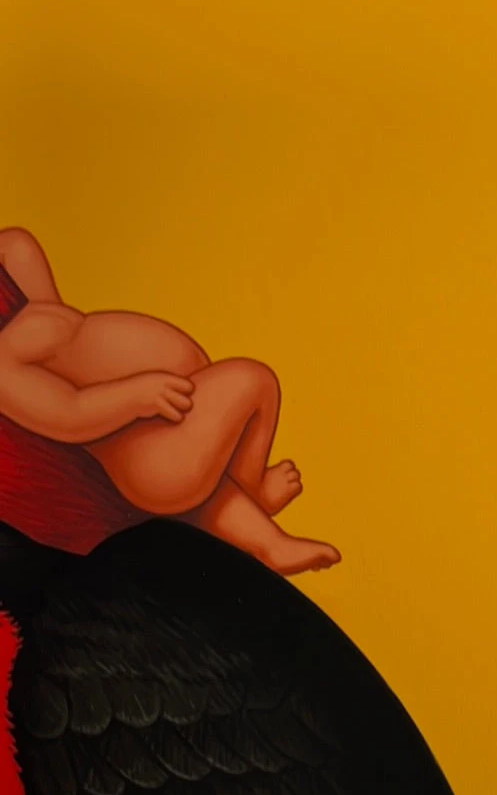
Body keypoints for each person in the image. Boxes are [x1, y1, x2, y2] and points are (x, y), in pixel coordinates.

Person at [0, 227, 341, 576]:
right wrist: (137, 396)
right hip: (144, 454)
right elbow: (69, 414)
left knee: (207, 485)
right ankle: (253, 489)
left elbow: (17, 247)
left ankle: (271, 545)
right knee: (255, 381)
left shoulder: (17, 298)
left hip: (156, 428)